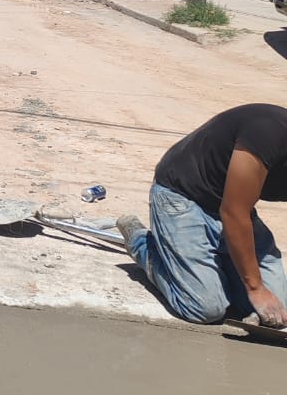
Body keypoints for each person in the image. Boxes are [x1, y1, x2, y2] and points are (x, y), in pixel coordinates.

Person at [118, 104, 287, 326]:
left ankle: (216, 268)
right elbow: (234, 212)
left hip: (231, 208)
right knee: (206, 307)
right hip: (182, 197)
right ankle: (143, 244)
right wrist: (255, 287)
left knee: (279, 309)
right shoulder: (268, 132)